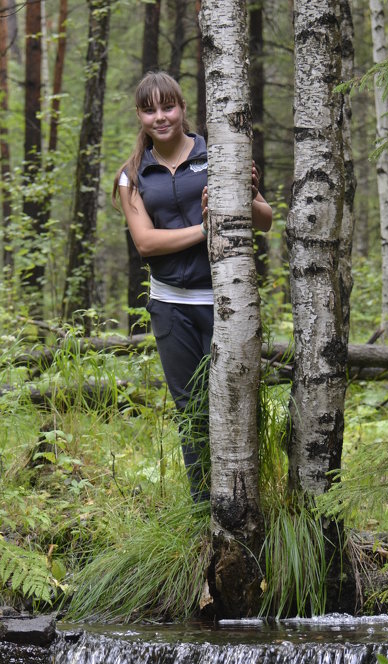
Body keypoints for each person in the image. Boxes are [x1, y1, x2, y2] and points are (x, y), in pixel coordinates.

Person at [113, 71, 272, 501]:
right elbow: (146, 244)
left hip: (227, 302)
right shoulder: (131, 175)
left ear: (183, 108)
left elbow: (265, 219)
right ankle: (205, 507)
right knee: (192, 411)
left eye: (168, 107)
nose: (160, 117)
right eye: (150, 110)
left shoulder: (218, 153)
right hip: (171, 309)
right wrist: (209, 227)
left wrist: (246, 195)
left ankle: (246, 501)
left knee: (237, 404)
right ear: (140, 116)